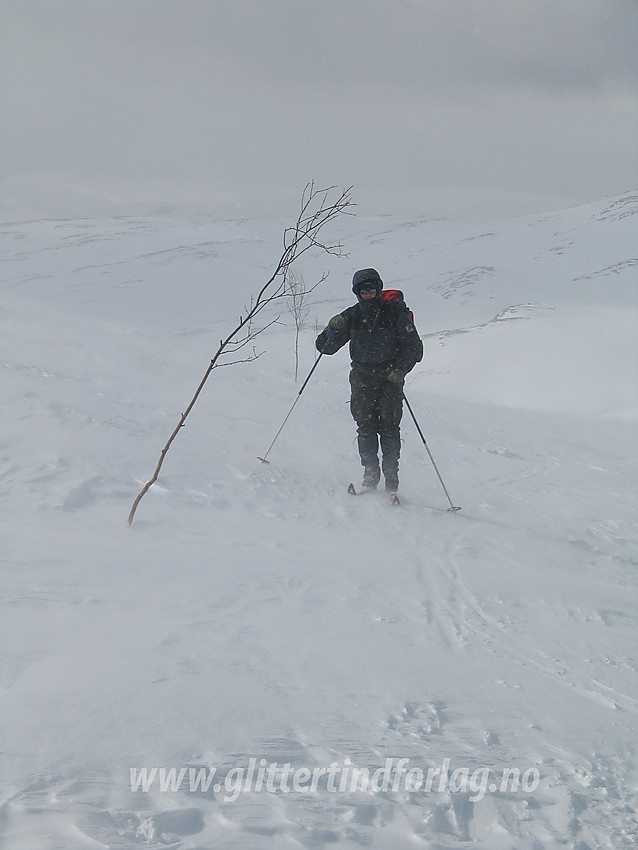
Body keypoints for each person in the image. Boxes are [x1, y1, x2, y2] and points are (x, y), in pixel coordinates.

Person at [316, 268, 423, 493]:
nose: (368, 294)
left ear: (379, 288)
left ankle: (391, 479)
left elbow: (413, 346)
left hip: (389, 378)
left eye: (372, 289)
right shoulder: (352, 315)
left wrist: (400, 370)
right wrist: (330, 330)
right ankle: (371, 475)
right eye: (363, 290)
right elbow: (325, 348)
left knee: (390, 428)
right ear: (356, 292)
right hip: (362, 377)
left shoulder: (394, 313)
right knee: (365, 428)